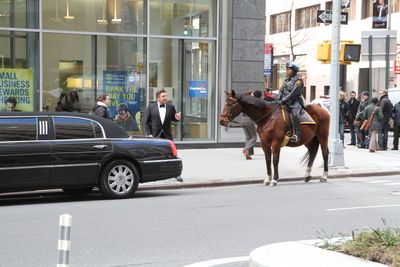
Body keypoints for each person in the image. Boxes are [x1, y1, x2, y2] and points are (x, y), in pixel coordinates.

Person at [276, 61, 304, 143]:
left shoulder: (298, 80)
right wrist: (278, 99)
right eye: (287, 69)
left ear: (294, 71)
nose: (287, 71)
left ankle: (297, 135)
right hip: (285, 103)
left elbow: (293, 93)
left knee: (295, 116)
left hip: (295, 103)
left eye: (289, 69)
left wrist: (283, 100)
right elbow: (281, 90)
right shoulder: (286, 80)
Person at [241, 89, 261, 160]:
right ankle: (246, 149)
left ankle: (248, 153)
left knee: (248, 137)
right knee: (254, 137)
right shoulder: (255, 102)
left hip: (243, 119)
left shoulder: (245, 100)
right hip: (249, 120)